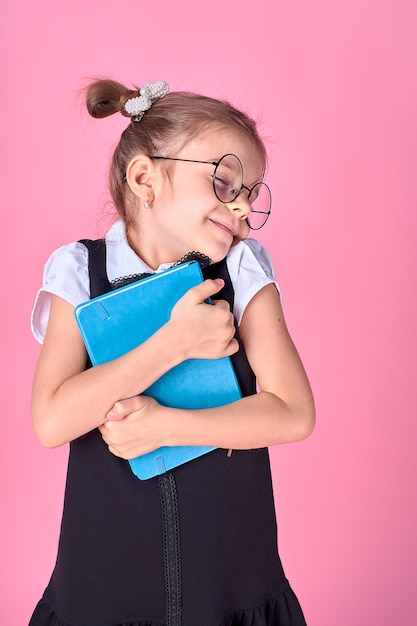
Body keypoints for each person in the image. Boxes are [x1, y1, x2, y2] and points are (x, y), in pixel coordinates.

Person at [29, 79, 315, 626]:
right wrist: (174, 343)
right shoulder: (79, 273)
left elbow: (293, 411)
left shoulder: (242, 269)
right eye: (225, 182)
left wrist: (168, 426)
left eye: (252, 194)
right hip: (104, 585)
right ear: (145, 178)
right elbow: (51, 419)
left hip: (230, 578)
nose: (240, 207)